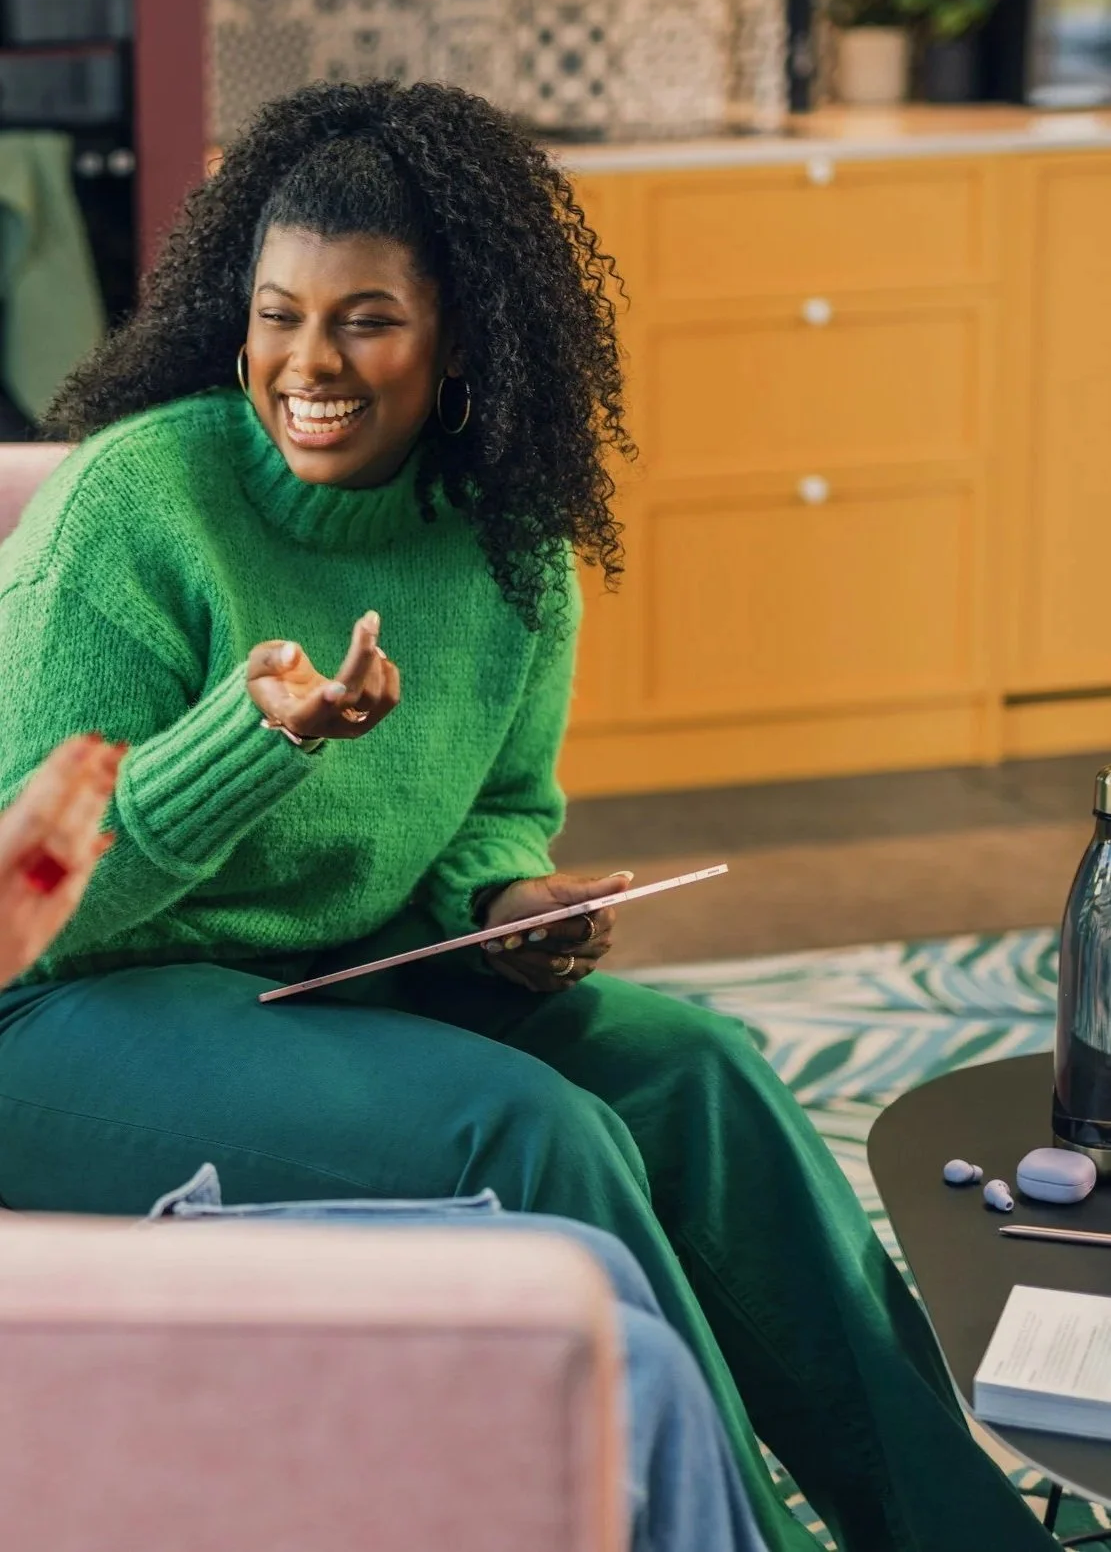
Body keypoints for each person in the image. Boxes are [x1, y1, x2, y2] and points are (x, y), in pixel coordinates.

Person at [0, 80, 1052, 1552]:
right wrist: (254, 734)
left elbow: (489, 814)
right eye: (276, 313)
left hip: (308, 979)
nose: (308, 359)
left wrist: (507, 909)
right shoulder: (132, 509)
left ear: (460, 339)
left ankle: (960, 1537)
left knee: (697, 1069)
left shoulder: (507, 544)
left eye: (365, 318)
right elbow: (28, 897)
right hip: (55, 1019)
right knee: (528, 1129)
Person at [0, 739, 768, 1552]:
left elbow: (498, 807)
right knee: (613, 1330)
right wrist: (263, 739)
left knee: (633, 1195)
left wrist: (495, 892)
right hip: (79, 1021)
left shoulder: (522, 607)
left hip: (277, 968)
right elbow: (70, 933)